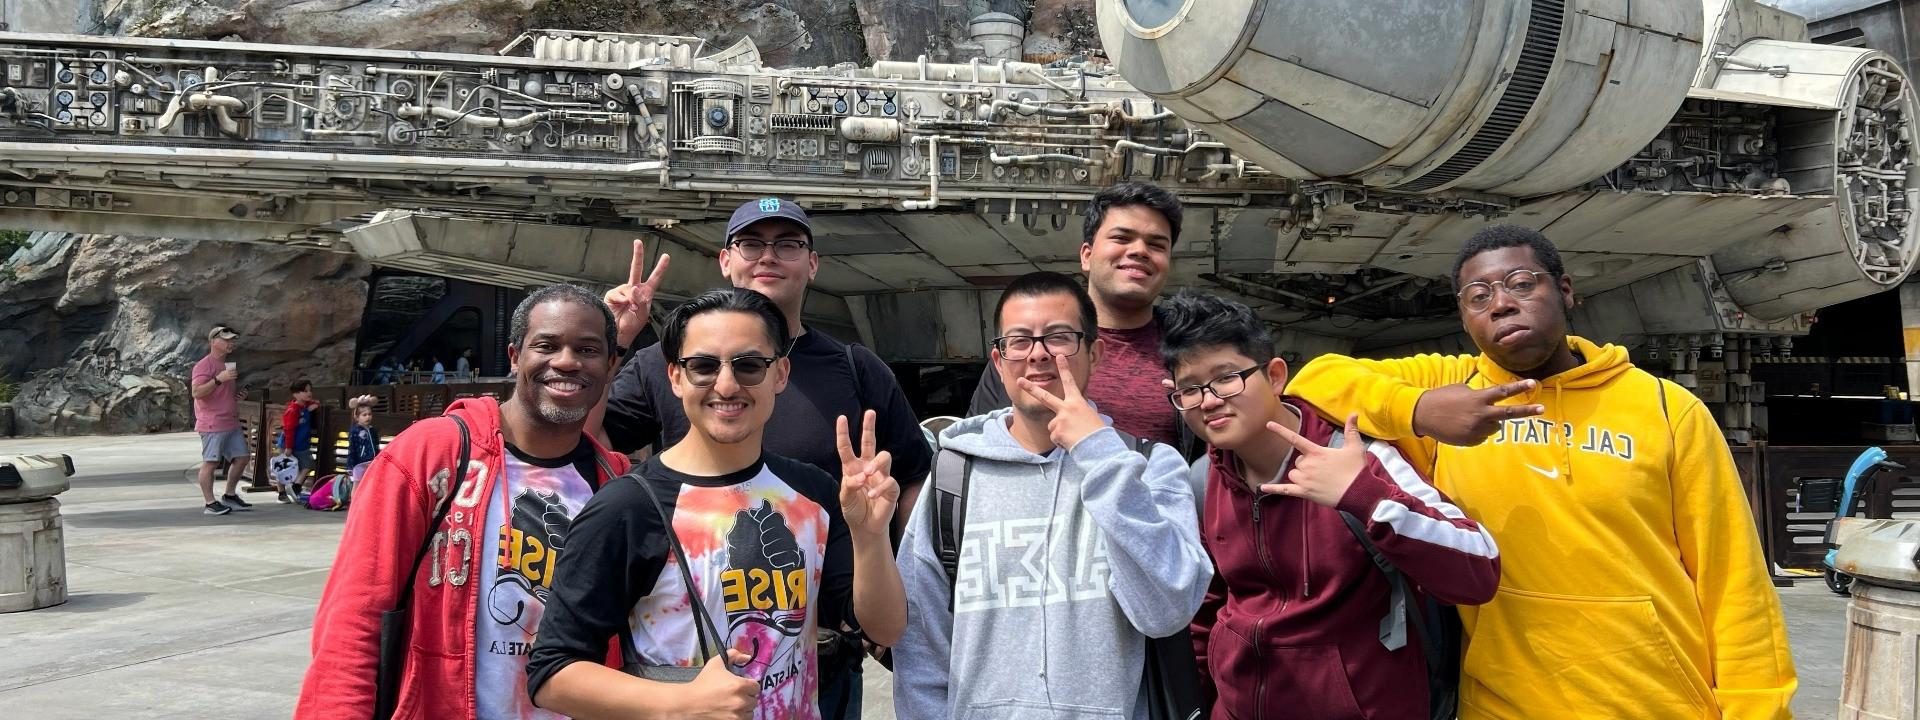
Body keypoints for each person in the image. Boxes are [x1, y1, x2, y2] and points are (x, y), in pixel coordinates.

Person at [1290, 225, 1797, 719]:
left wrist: (1758, 708)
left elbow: (1733, 578)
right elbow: (1317, 378)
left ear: (1566, 290)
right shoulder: (1453, 386)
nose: (1501, 304)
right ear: (1466, 319)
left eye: (1521, 284)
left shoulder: (1668, 409)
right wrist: (1419, 410)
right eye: (1477, 296)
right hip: (1501, 703)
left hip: (1656, 699)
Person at [601, 198, 934, 714]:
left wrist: (888, 577)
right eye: (751, 244)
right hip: (693, 656)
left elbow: (912, 475)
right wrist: (616, 338)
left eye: (788, 245)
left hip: (821, 652)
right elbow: (591, 439)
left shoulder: (855, 369)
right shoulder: (667, 363)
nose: (768, 257)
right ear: (725, 261)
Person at [527, 287, 907, 720]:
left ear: (780, 373)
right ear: (675, 377)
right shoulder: (628, 507)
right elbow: (552, 672)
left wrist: (871, 537)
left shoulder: (815, 492)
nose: (726, 385)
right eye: (703, 366)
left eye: (749, 365)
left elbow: (884, 628)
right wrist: (680, 703)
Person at [1158, 290, 1500, 719]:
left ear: (1276, 375)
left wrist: (1364, 496)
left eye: (1226, 378)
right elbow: (1208, 607)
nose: (1208, 400)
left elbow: (1479, 569)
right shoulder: (1204, 479)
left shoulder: (1357, 458)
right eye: (1190, 389)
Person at [297, 285, 633, 720]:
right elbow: (354, 618)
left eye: (587, 349)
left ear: (609, 365)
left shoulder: (615, 482)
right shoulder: (429, 454)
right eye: (546, 345)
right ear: (515, 356)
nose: (567, 361)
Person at [892, 271, 1211, 720]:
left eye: (1059, 337)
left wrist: (1099, 454)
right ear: (999, 361)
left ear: (1095, 354)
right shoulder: (952, 474)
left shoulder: (1150, 465)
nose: (1038, 354)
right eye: (1019, 341)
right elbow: (922, 639)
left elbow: (1167, 610)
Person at [968, 182, 1199, 454]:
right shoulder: (1023, 350)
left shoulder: (1192, 354)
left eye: (1156, 244)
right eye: (1122, 238)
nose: (1139, 251)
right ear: (1087, 255)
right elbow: (979, 443)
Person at [190, 324, 250, 515]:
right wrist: (218, 379)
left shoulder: (226, 365)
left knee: (242, 458)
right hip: (212, 422)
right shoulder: (204, 366)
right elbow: (197, 392)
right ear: (213, 341)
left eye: (232, 340)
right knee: (211, 462)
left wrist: (236, 398)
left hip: (230, 421)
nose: (230, 343)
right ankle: (209, 503)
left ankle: (230, 495)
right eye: (226, 340)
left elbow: (221, 394)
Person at [279, 379, 321, 501]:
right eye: (304, 391)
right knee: (283, 469)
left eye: (310, 390)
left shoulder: (304, 407)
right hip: (289, 444)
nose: (309, 393)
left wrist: (313, 406)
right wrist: (288, 447)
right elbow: (289, 430)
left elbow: (315, 403)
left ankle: (296, 486)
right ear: (296, 394)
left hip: (302, 444)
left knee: (308, 465)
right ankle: (281, 493)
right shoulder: (292, 410)